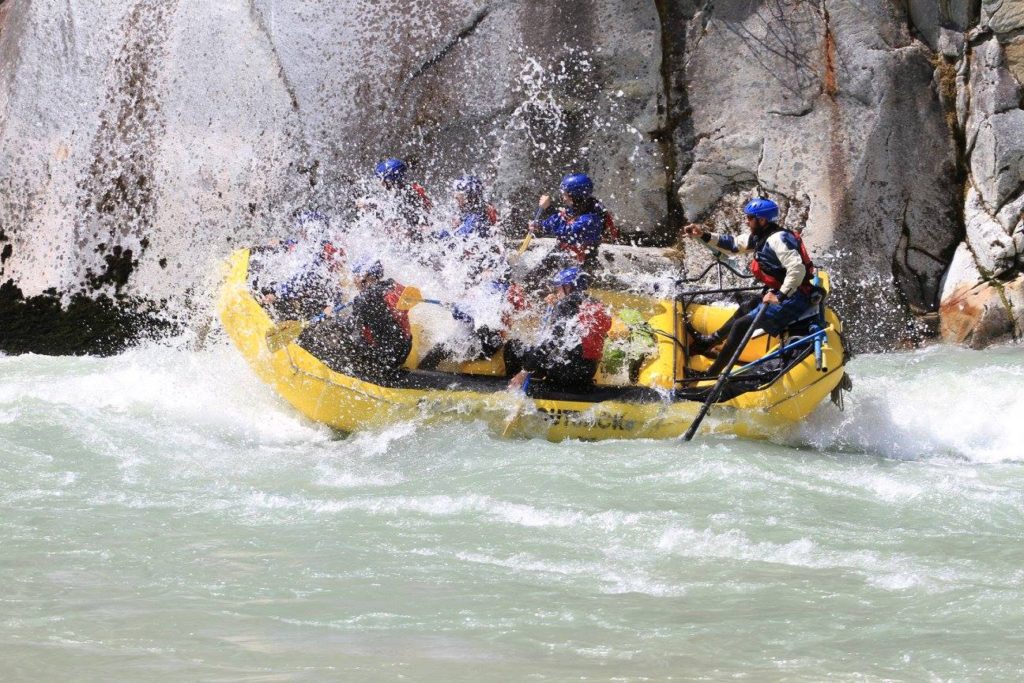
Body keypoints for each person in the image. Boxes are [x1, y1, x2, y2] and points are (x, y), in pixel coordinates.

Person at [680, 197, 818, 377]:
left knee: (741, 325)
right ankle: (709, 341)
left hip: (794, 298)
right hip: (786, 293)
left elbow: (797, 269)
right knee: (747, 307)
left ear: (762, 220)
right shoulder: (762, 236)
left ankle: (712, 374)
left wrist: (780, 296)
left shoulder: (779, 239)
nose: (747, 221)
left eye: (750, 218)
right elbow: (733, 244)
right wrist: (702, 234)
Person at [300, 258, 413, 381]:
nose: (354, 280)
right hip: (403, 349)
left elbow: (349, 327)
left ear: (366, 276)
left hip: (384, 358)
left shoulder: (366, 298)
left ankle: (327, 371)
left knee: (332, 336)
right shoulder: (392, 286)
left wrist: (327, 319)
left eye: (356, 275)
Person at [507, 266, 611, 392]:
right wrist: (556, 306)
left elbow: (552, 342)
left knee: (513, 347)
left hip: (564, 374)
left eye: (558, 288)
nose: (556, 292)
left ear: (568, 287)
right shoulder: (594, 303)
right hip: (588, 371)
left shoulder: (566, 305)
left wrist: (524, 371)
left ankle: (514, 383)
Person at [528, 172, 617, 271]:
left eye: (564, 194)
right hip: (565, 252)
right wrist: (540, 224)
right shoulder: (578, 206)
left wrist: (547, 210)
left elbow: (568, 233)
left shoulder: (591, 218)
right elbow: (562, 219)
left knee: (565, 279)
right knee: (535, 276)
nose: (562, 198)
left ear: (574, 196)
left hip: (582, 262)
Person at [360, 158, 432, 242]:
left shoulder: (404, 196)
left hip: (413, 238)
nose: (380, 183)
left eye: (381, 179)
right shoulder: (409, 189)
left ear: (390, 180)